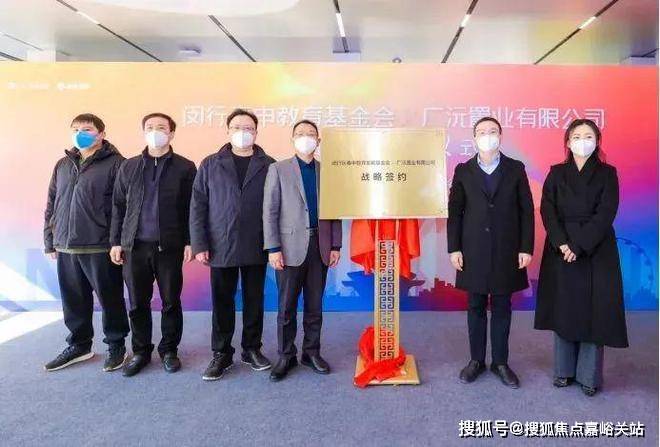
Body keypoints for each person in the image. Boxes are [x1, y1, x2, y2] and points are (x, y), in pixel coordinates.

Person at [534, 118, 628, 396]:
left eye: (588, 136)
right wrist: (562, 243)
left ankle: (589, 376)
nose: (582, 141)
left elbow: (606, 213)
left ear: (597, 142)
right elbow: (547, 209)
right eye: (577, 136)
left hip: (595, 249)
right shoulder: (556, 173)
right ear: (568, 142)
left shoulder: (608, 173)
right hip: (560, 248)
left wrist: (579, 245)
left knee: (593, 311)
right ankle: (563, 371)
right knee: (564, 308)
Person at [447, 116, 534, 388]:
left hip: (507, 249)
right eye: (482, 132)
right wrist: (454, 248)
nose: (488, 136)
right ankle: (476, 360)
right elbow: (455, 213)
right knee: (474, 305)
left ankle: (500, 362)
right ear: (474, 139)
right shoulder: (463, 170)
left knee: (502, 306)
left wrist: (526, 247)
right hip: (472, 249)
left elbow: (526, 211)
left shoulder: (516, 169)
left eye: (493, 131)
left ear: (501, 136)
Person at [190, 108, 275, 381]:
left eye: (248, 128)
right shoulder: (210, 164)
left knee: (254, 300)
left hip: (257, 242)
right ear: (228, 131)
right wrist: (199, 243)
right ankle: (221, 353)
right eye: (237, 127)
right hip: (220, 243)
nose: (243, 132)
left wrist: (275, 245)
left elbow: (277, 207)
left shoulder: (269, 164)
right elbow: (198, 206)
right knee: (222, 301)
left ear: (256, 132)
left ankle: (252, 349)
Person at [110, 112, 197, 377]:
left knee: (171, 301)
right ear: (143, 132)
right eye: (150, 127)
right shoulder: (129, 166)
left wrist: (190, 241)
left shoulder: (185, 167)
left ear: (172, 133)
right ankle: (141, 352)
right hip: (134, 247)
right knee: (137, 303)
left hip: (169, 247)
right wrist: (116, 241)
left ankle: (169, 350)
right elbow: (118, 207)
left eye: (161, 127)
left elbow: (192, 208)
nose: (155, 131)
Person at [43, 113, 129, 372]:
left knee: (110, 299)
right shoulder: (63, 164)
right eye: (76, 129)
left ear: (101, 134)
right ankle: (80, 345)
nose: (81, 133)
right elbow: (52, 202)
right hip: (66, 245)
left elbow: (122, 207)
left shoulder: (118, 164)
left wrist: (117, 242)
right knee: (74, 301)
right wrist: (50, 240)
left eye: (88, 129)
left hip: (100, 245)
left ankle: (116, 346)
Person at [263, 119, 342, 382]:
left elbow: (335, 211)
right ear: (292, 139)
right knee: (286, 307)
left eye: (310, 134)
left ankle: (311, 352)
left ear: (318, 141)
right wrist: (273, 248)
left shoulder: (327, 171)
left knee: (314, 305)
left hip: (320, 246)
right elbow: (270, 211)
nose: (305, 137)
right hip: (288, 248)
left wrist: (336, 245)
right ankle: (286, 355)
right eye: (300, 134)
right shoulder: (278, 169)